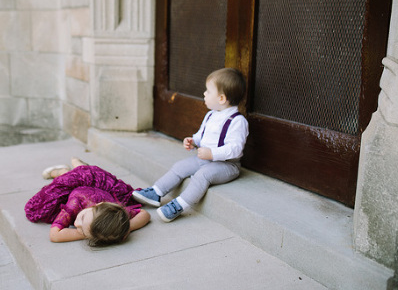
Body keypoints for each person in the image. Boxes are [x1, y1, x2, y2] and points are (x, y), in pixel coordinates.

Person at [131, 68, 248, 222]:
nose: (204, 94)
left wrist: (212, 153)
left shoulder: (238, 121)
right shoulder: (211, 114)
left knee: (202, 175)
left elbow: (235, 149)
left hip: (227, 165)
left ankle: (179, 205)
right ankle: (156, 192)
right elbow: (202, 135)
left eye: (208, 91)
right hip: (205, 159)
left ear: (221, 98)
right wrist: (194, 141)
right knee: (180, 166)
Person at [25, 160, 151, 246]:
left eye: (81, 228)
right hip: (84, 183)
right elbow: (54, 235)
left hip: (97, 191)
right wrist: (122, 229)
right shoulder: (74, 204)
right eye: (82, 218)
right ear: (97, 206)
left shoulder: (110, 214)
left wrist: (107, 229)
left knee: (82, 171)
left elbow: (144, 215)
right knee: (66, 179)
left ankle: (80, 166)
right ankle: (61, 171)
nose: (76, 224)